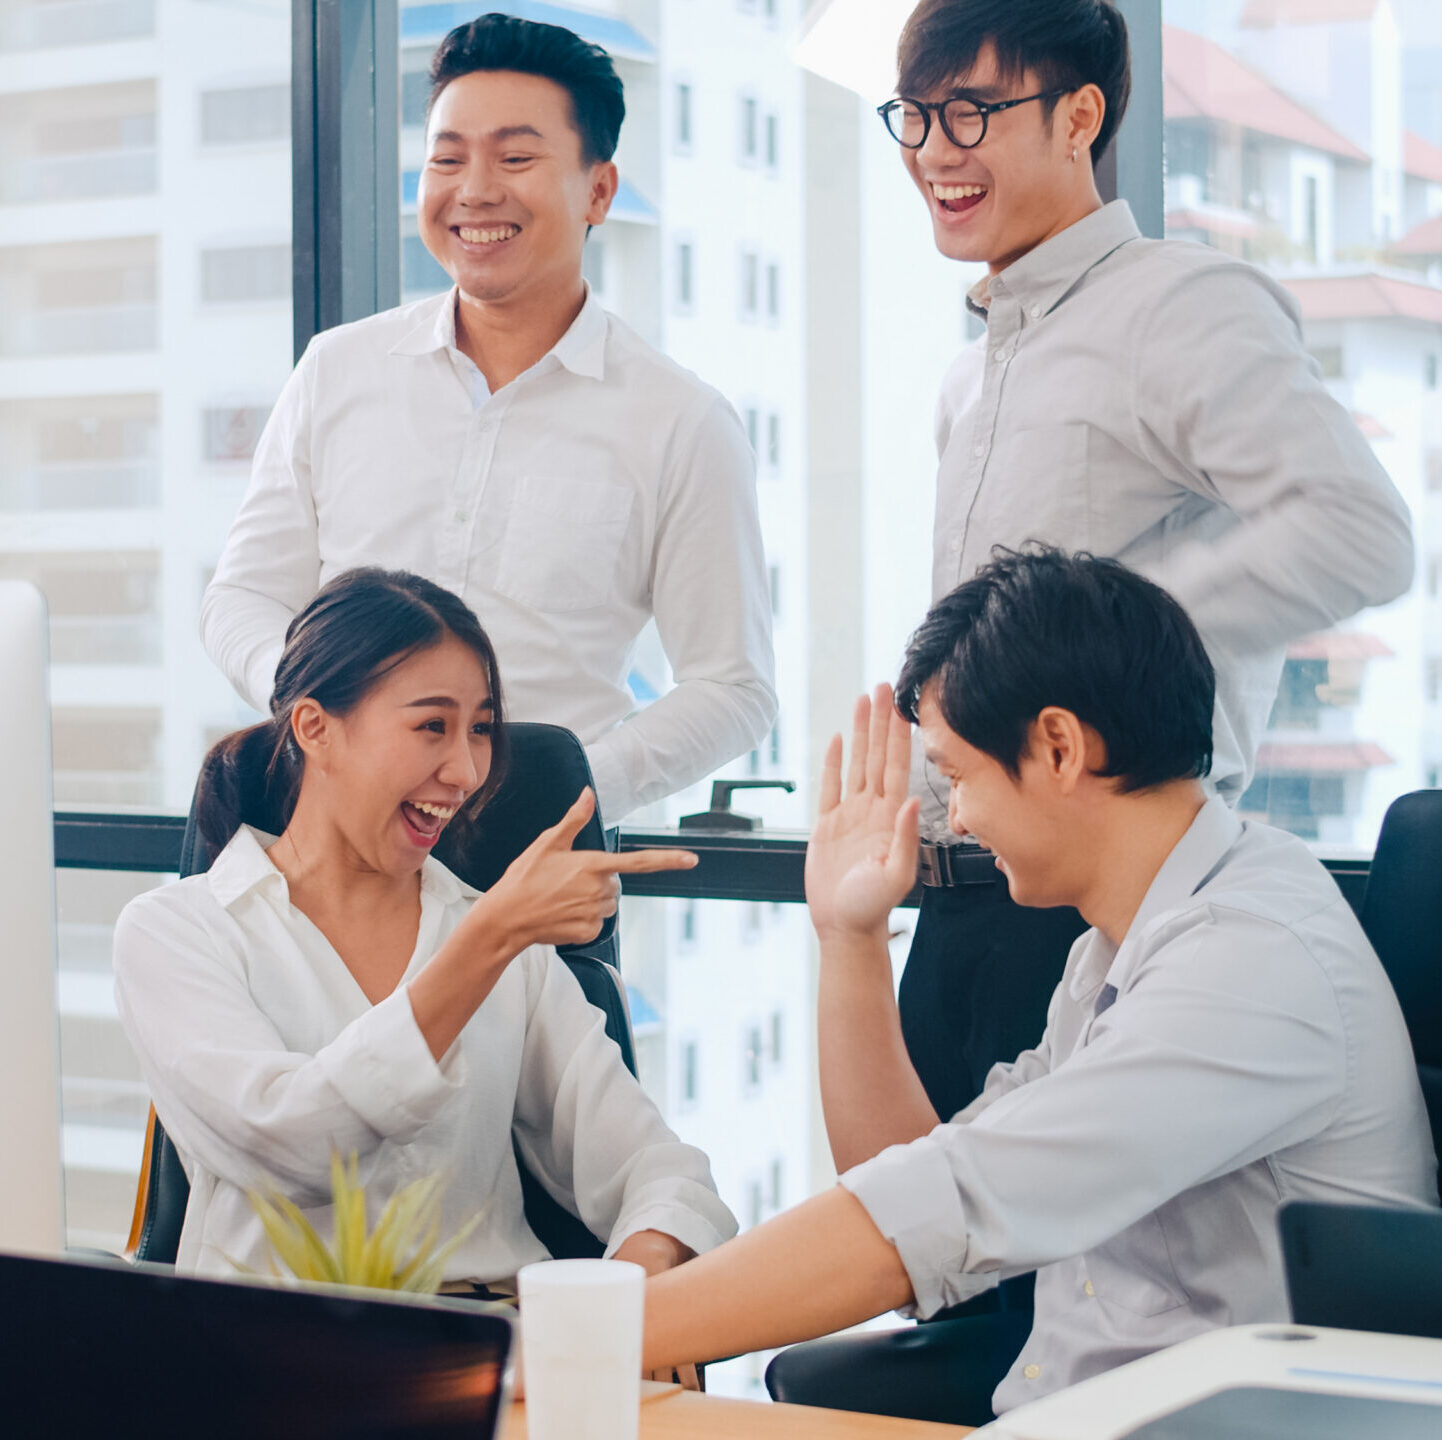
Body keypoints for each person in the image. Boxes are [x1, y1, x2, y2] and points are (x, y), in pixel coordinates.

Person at [638, 547, 1436, 1424]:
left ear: (1057, 746)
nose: (962, 817)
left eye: (958, 776)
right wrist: (850, 935)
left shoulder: (1250, 964)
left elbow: (943, 1211)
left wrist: (596, 1332)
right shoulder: (1122, 942)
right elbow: (922, 1199)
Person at [887, 0, 1415, 1132]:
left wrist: (1081, 651)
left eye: (970, 112)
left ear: (1079, 114)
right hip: (954, 907)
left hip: (1097, 905)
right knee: (925, 1274)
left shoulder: (1177, 307)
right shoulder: (965, 375)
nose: (934, 150)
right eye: (916, 116)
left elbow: (1355, 530)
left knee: (1055, 1293)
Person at [200, 14, 775, 827]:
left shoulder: (681, 422)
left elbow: (733, 688)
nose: (474, 190)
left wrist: (562, 790)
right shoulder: (339, 370)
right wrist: (318, 728)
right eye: (447, 158)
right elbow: (242, 597)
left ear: (598, 190)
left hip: (529, 860)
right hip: (322, 844)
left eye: (515, 158)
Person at [114, 568, 737, 1283]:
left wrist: (639, 1293)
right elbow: (293, 1150)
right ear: (316, 729)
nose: (468, 770)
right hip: (275, 1362)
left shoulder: (506, 949)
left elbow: (662, 1173)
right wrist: (488, 940)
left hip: (493, 1357)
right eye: (432, 726)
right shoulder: (175, 933)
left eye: (479, 730)